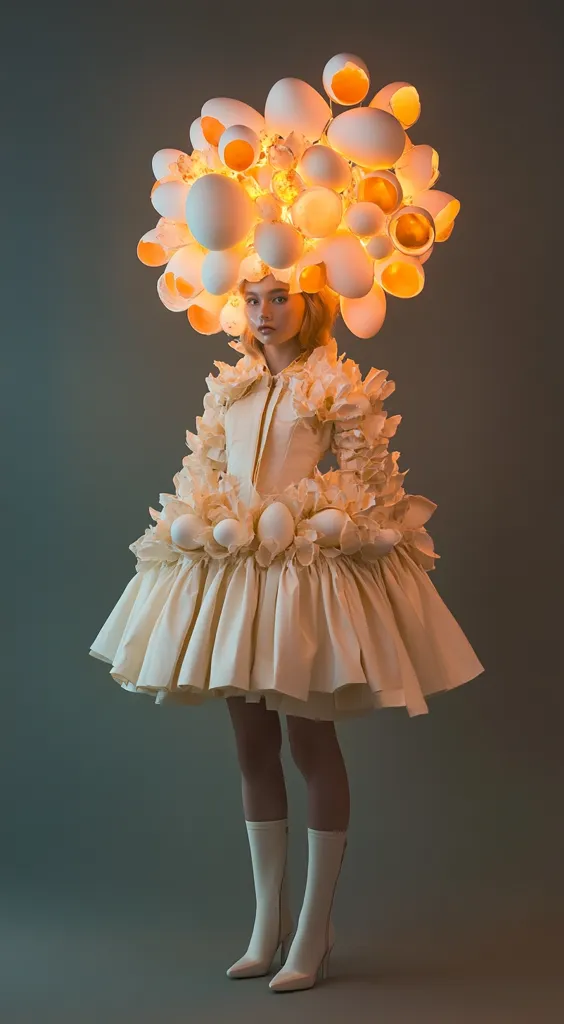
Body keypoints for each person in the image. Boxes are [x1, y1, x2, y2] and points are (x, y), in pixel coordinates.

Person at [89, 272, 484, 992]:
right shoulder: (230, 388)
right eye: (251, 299)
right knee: (251, 746)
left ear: (311, 305)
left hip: (301, 576)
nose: (263, 314)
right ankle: (265, 924)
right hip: (239, 573)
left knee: (310, 740)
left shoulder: (336, 386)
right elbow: (201, 474)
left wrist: (353, 525)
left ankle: (314, 927)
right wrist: (195, 526)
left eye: (279, 298)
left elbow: (371, 483)